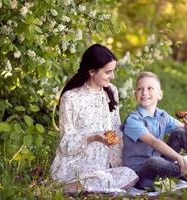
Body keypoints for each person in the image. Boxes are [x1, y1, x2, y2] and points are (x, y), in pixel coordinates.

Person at [51, 44, 138, 193]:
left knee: (130, 175)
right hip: (76, 164)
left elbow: (115, 130)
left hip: (102, 166)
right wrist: (94, 137)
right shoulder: (71, 97)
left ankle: (97, 188)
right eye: (108, 72)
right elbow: (66, 144)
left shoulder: (111, 91)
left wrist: (118, 164)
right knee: (103, 179)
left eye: (113, 71)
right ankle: (67, 186)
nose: (113, 76)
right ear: (92, 71)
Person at [122, 71, 187, 190]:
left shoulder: (162, 115)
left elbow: (186, 133)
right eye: (140, 89)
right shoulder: (133, 120)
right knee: (153, 161)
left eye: (150, 88)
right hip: (142, 174)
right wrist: (179, 158)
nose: (144, 92)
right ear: (135, 94)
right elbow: (154, 142)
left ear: (160, 94)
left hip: (163, 165)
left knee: (179, 133)